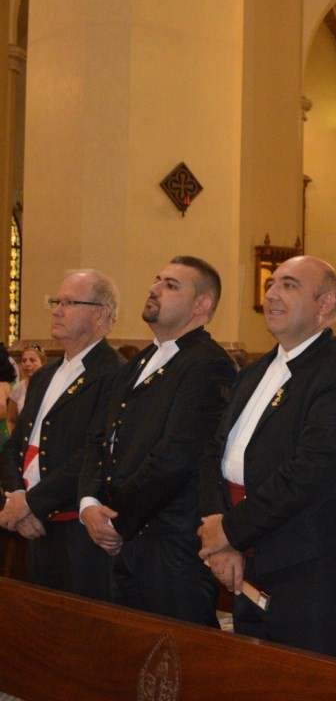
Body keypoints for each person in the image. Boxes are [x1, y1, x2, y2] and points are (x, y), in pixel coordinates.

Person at [198, 256, 336, 657]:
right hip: (246, 558)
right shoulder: (254, 372)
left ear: (324, 304)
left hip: (310, 572)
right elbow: (214, 455)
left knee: (307, 682)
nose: (272, 295)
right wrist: (221, 539)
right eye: (271, 285)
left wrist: (230, 531)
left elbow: (311, 474)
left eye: (289, 285)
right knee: (252, 676)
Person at [79, 256, 236, 625]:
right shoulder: (139, 361)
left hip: (172, 547)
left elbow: (176, 457)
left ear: (201, 305)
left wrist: (116, 518)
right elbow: (100, 438)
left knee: (175, 654)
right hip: (126, 538)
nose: (154, 289)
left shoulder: (208, 364)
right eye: (157, 280)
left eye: (170, 285)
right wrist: (89, 503)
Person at [0, 270, 124, 599]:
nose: (56, 310)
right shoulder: (45, 375)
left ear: (101, 313)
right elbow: (15, 445)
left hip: (77, 531)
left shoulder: (114, 373)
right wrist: (16, 499)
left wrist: (31, 504)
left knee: (79, 624)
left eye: (69, 303)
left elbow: (93, 453)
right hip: (32, 524)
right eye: (56, 302)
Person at [7, 345, 46, 432]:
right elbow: (11, 420)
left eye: (32, 360)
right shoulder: (17, 389)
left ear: (42, 363)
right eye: (24, 361)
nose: (27, 364)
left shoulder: (50, 386)